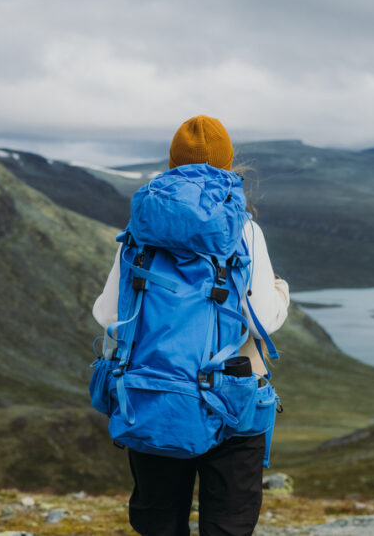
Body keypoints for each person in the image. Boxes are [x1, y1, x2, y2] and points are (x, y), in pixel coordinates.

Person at [92, 115, 289, 536]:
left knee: (159, 519)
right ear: (229, 166)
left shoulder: (139, 232)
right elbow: (263, 319)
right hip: (233, 402)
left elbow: (109, 317)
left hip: (153, 395)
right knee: (227, 524)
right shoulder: (246, 232)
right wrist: (281, 290)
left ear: (172, 164)